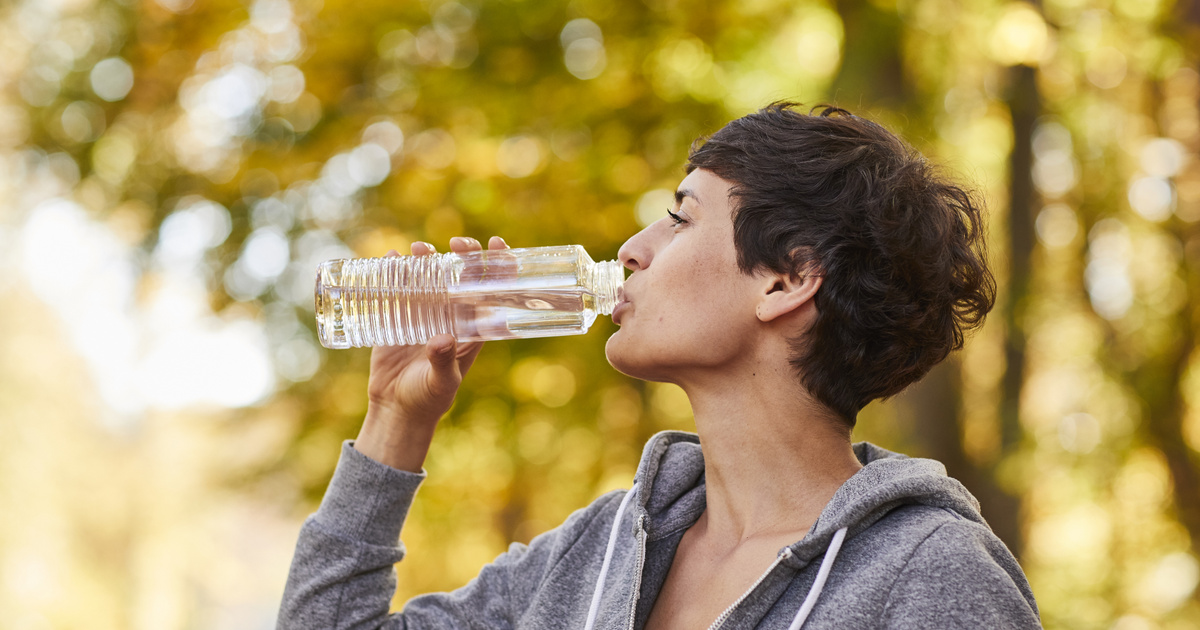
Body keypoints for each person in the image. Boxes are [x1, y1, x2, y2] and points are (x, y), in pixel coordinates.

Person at [278, 103, 1042, 629]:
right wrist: (396, 421)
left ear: (786, 280)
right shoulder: (599, 552)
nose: (634, 248)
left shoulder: (929, 578)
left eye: (681, 216)